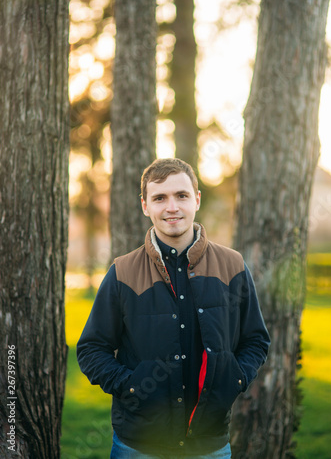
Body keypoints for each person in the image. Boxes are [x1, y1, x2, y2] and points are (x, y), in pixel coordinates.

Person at [77, 158, 270, 458]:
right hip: (138, 445)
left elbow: (256, 340)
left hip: (210, 445)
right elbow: (91, 349)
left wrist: (236, 377)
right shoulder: (122, 273)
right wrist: (131, 386)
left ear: (197, 199)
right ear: (145, 205)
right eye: (159, 198)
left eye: (181, 195)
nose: (172, 207)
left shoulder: (233, 266)